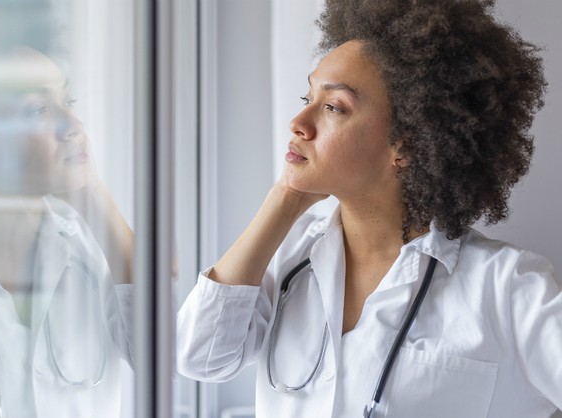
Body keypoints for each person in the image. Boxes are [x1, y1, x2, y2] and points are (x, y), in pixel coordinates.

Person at [176, 0, 561, 417]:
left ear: (405, 145)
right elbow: (201, 357)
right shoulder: (287, 261)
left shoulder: (508, 287)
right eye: (307, 97)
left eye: (333, 107)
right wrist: (285, 199)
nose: (298, 122)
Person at [0, 48, 134, 418]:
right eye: (39, 110)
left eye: (67, 100)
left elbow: (166, 354)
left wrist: (92, 191)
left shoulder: (88, 244)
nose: (73, 124)